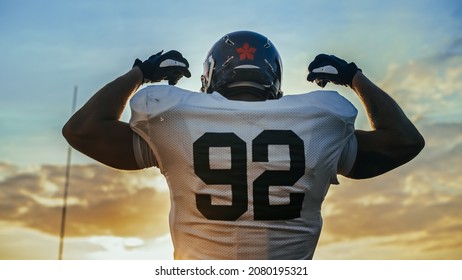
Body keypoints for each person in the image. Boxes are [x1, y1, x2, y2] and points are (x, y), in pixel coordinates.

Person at [62, 30, 424, 259]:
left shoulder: (171, 119)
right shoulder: (321, 122)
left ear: (210, 75)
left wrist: (140, 73)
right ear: (275, 77)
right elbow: (404, 142)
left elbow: (82, 130)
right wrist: (354, 78)